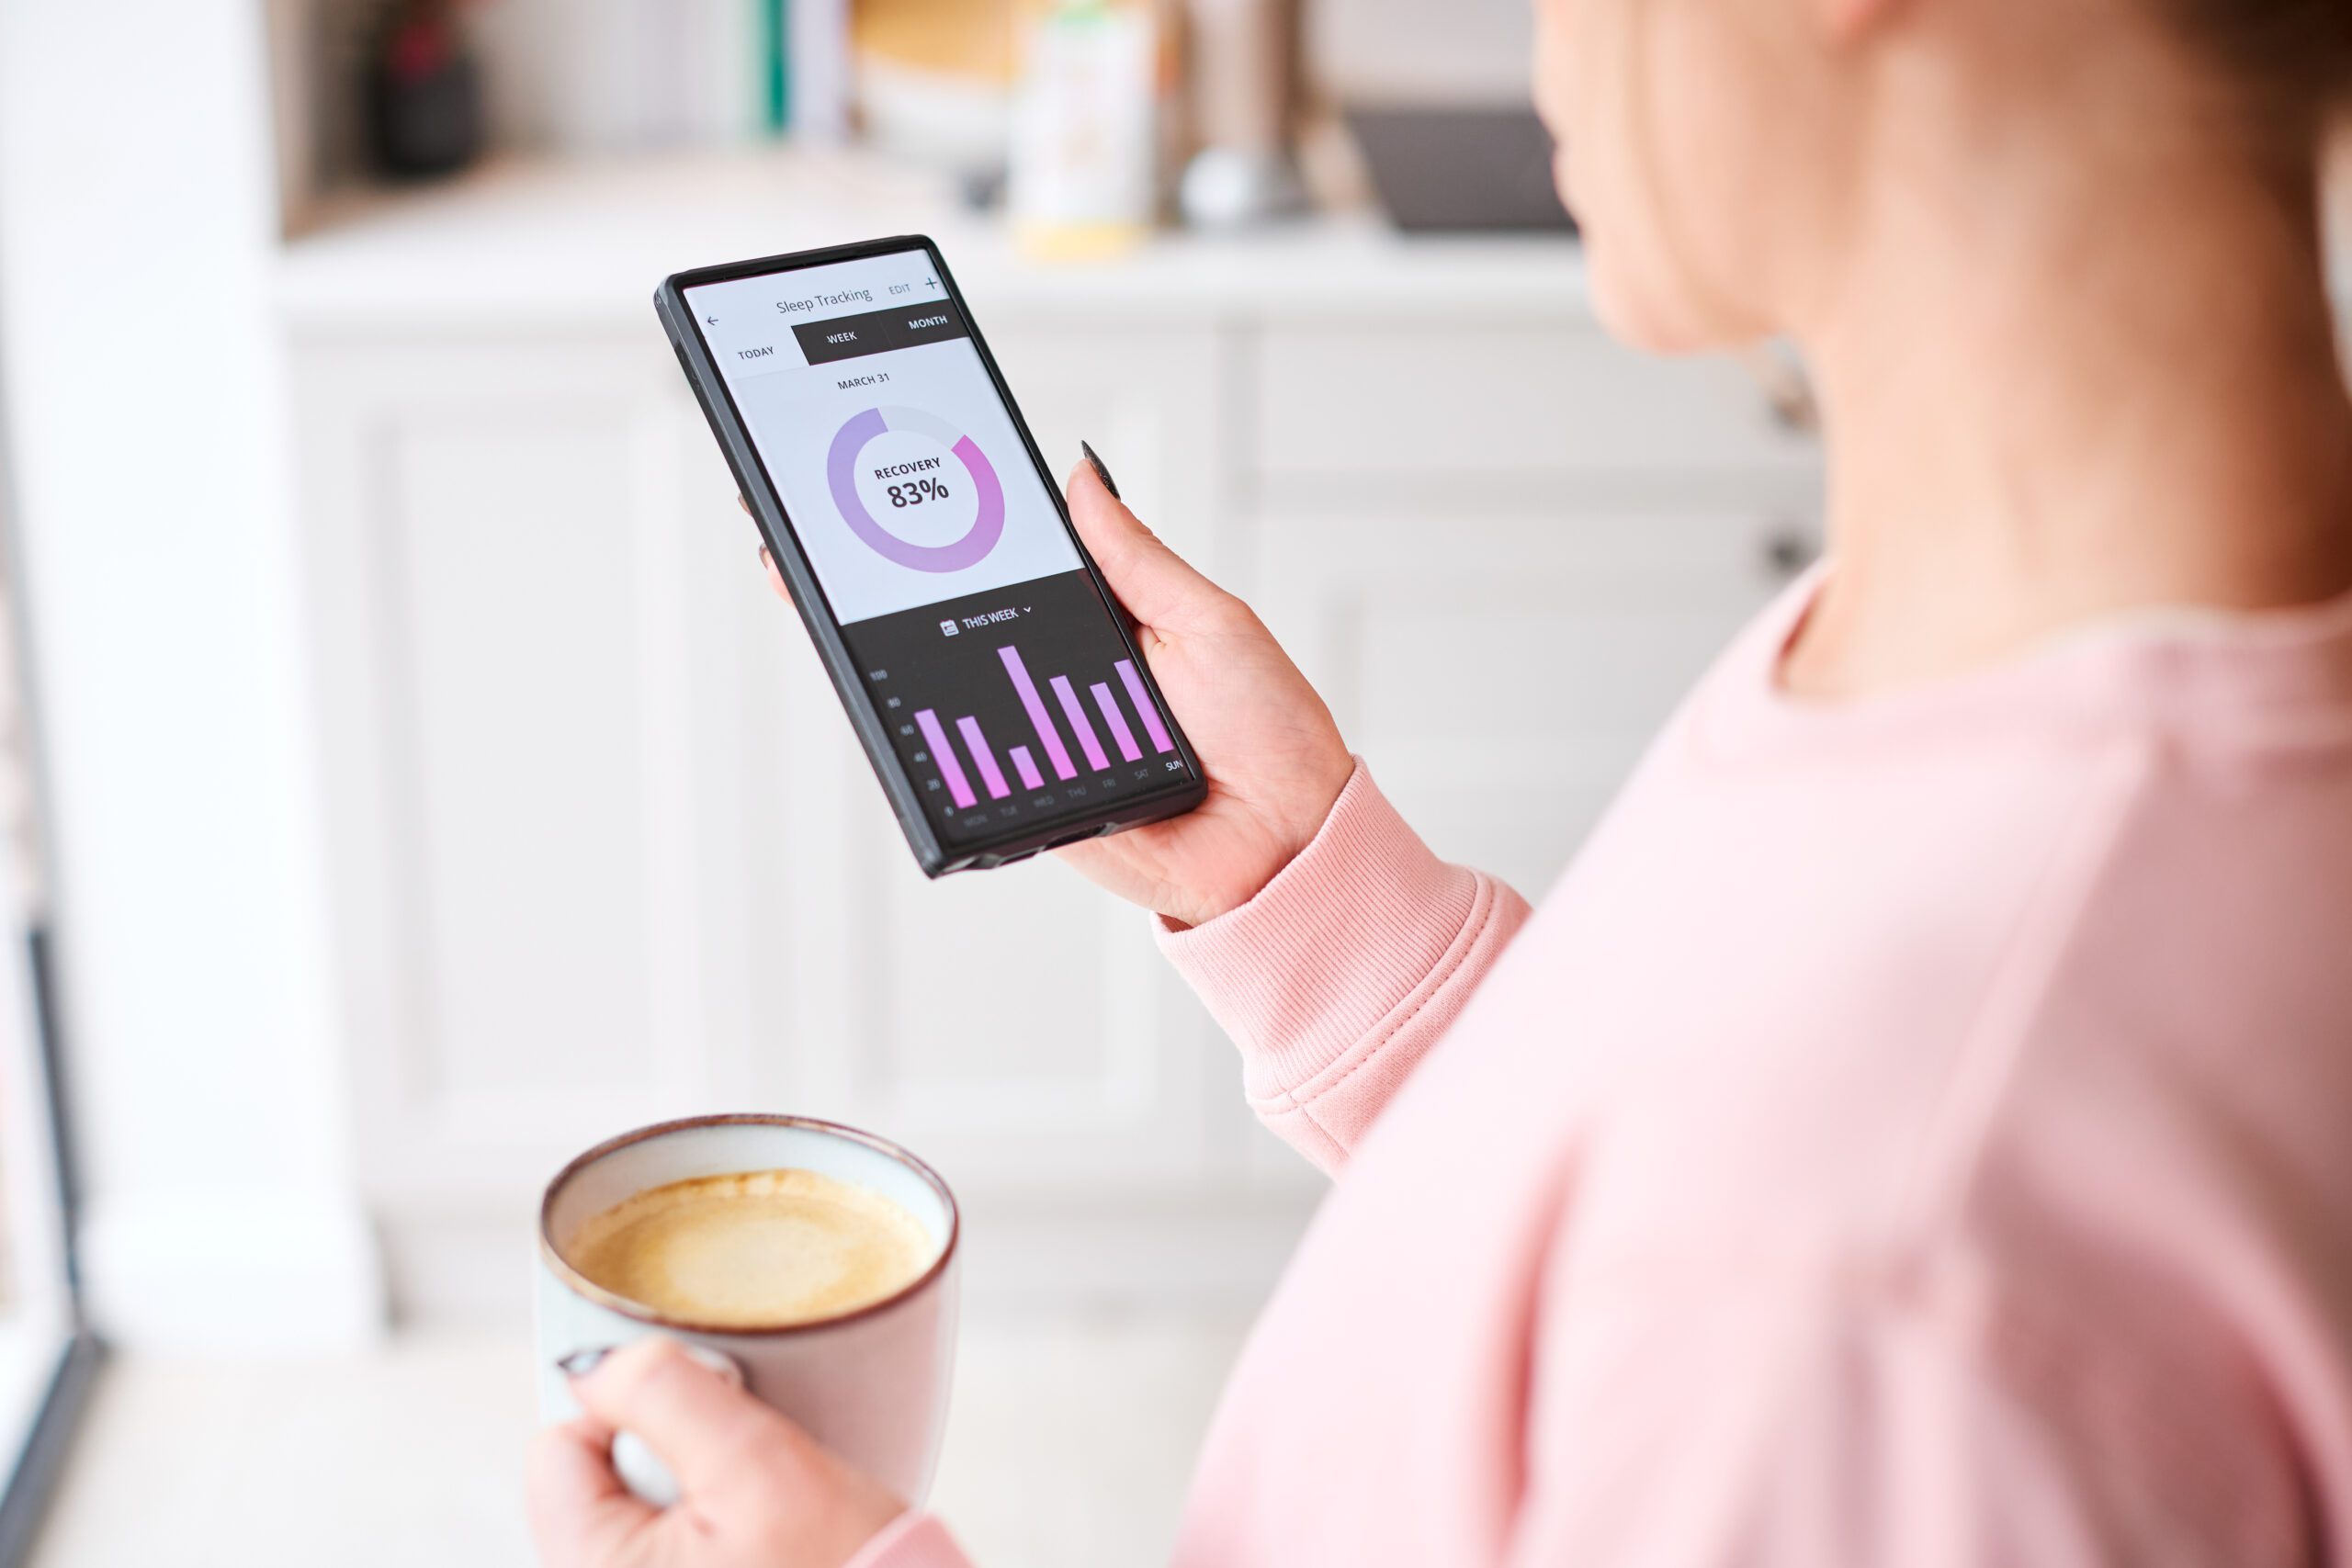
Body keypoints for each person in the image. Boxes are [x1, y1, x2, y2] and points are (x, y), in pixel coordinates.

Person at [529, 0, 2352, 1559]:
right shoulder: (1981, 657)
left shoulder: (1877, 1271)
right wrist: (1312, 894)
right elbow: (1656, 1214)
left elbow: (1782, 1250)